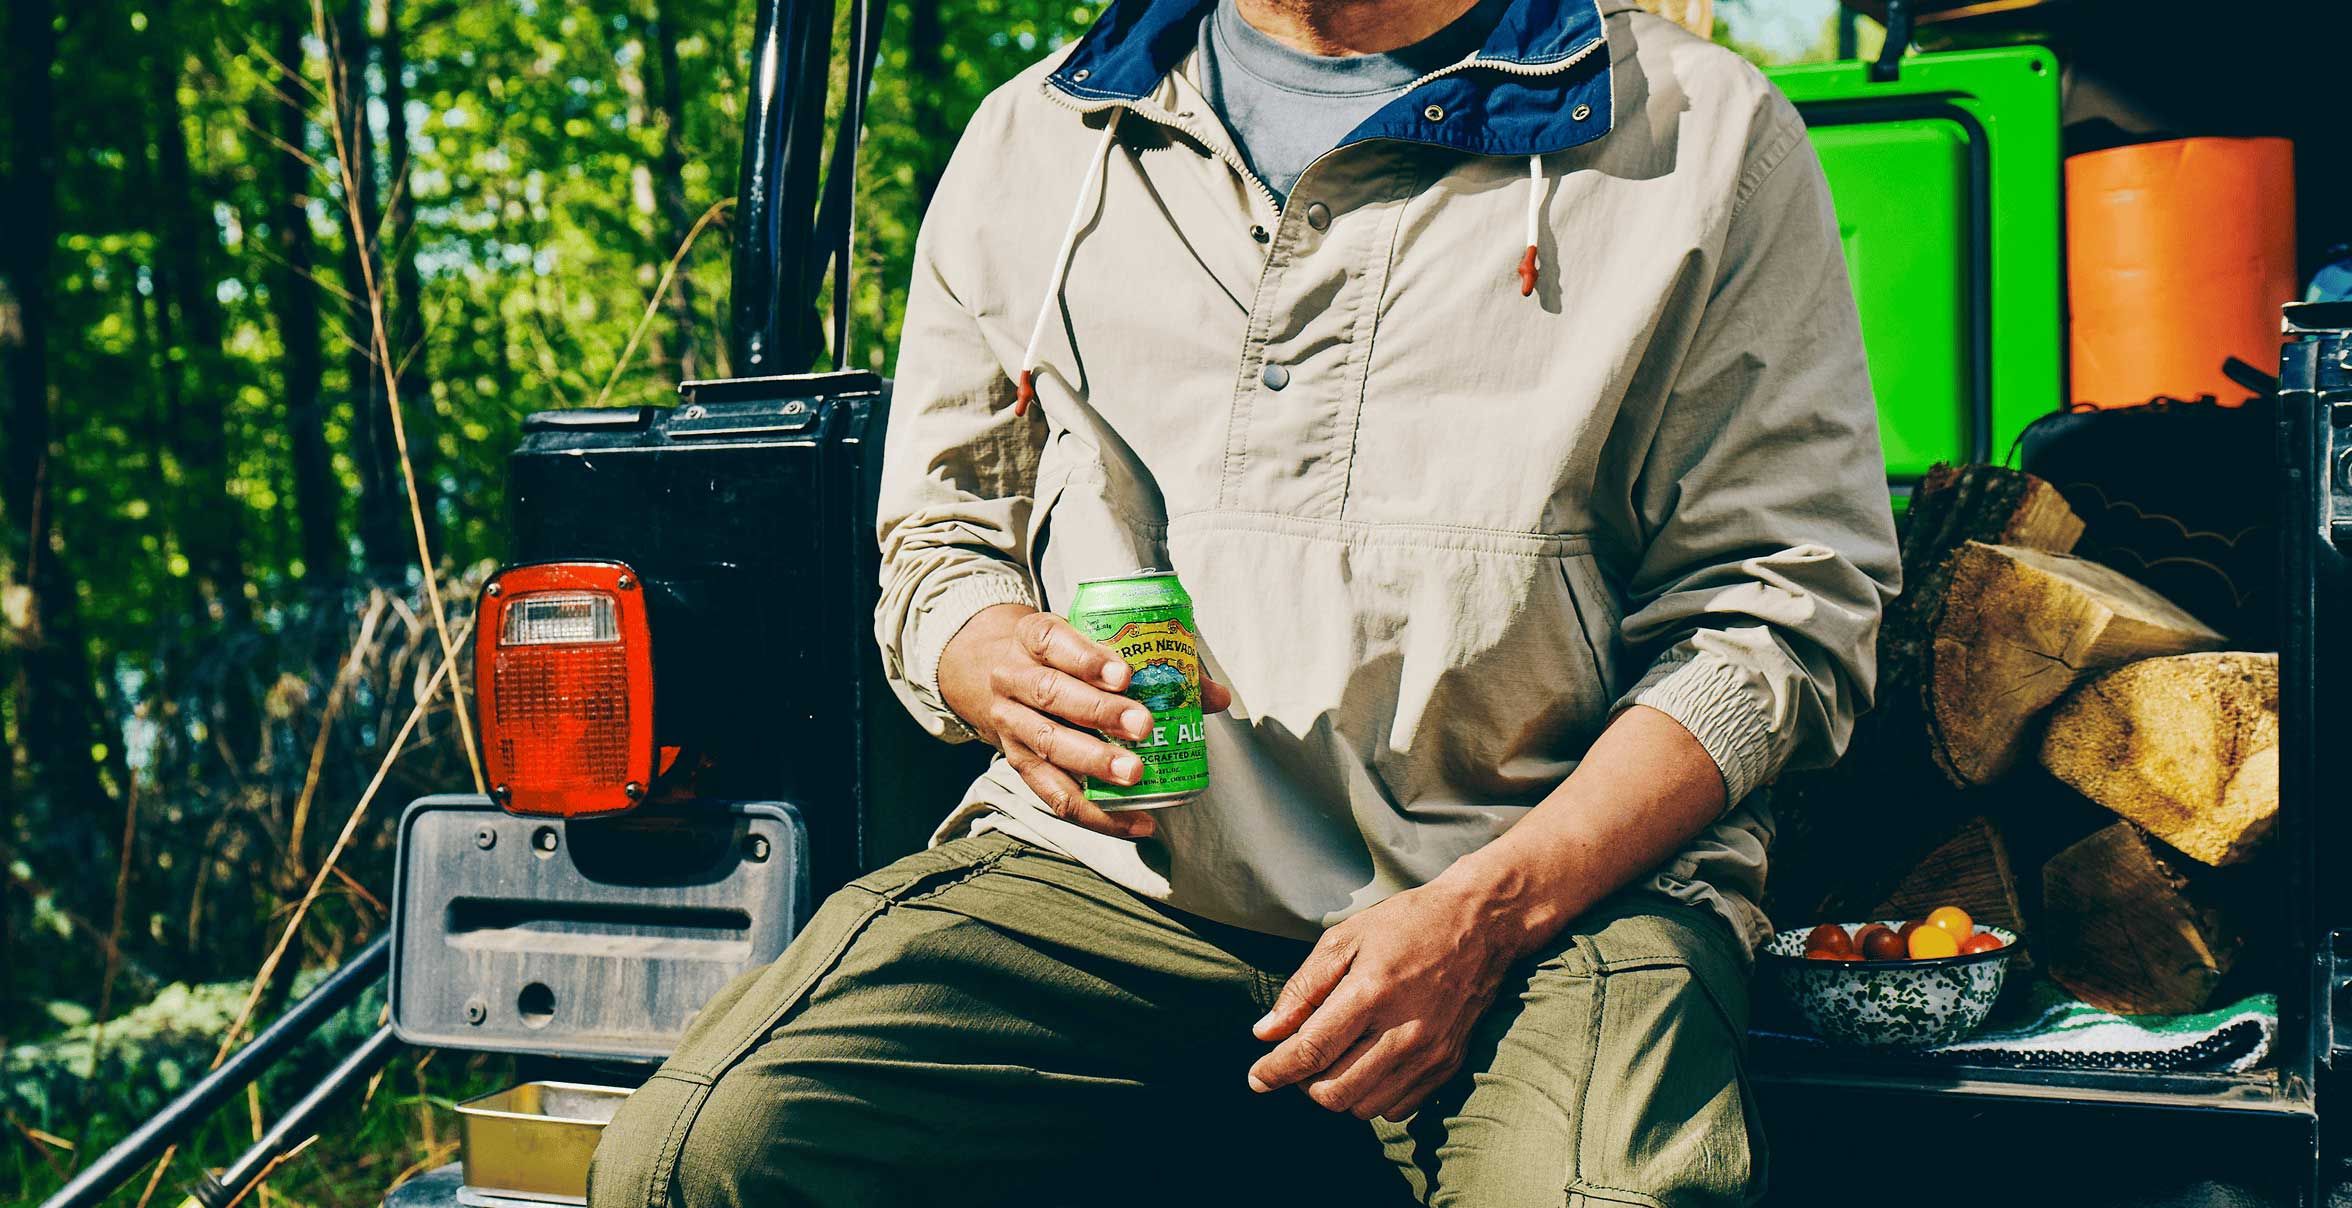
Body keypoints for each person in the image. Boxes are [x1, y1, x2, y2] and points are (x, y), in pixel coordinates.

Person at [590, 0, 1899, 1203]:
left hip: (1541, 890)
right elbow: (939, 535)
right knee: (700, 1160)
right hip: (1117, 878)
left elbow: (1779, 606)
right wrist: (987, 656)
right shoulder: (1037, 143)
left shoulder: (1699, 136)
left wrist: (1492, 910)